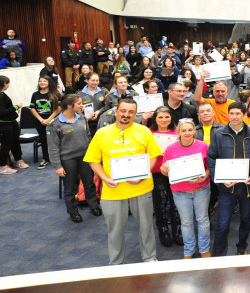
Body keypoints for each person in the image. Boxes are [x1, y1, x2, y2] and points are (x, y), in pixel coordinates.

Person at [84, 98, 163, 265]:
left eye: (131, 112)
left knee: (146, 227)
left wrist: (142, 175)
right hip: (113, 191)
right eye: (123, 111)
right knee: (115, 231)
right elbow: (93, 160)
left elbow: (154, 156)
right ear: (116, 111)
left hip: (141, 189)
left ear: (135, 114)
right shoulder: (102, 133)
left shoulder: (144, 131)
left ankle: (149, 257)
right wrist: (105, 178)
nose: (126, 115)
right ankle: (116, 263)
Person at [209, 102, 250, 256]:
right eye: (232, 113)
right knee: (222, 224)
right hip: (226, 186)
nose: (235, 117)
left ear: (244, 114)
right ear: (228, 114)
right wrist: (219, 179)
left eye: (238, 113)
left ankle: (241, 248)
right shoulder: (219, 134)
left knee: (246, 219)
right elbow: (211, 158)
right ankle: (218, 255)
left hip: (246, 186)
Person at [160, 118, 211, 259]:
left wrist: (204, 177)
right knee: (186, 222)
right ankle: (188, 251)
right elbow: (165, 172)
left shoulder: (203, 146)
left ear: (194, 131)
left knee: (203, 220)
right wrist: (164, 170)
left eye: (190, 130)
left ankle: (204, 249)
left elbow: (209, 168)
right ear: (178, 132)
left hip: (201, 189)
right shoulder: (170, 149)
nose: (187, 133)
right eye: (184, 130)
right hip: (180, 192)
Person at [48, 94, 102, 223]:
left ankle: (94, 205)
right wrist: (58, 166)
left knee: (89, 183)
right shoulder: (55, 124)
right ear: (69, 106)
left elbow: (88, 137)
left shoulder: (82, 118)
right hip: (68, 159)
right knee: (71, 188)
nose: (82, 105)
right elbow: (53, 147)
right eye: (79, 103)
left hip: (84, 157)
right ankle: (73, 211)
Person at [146, 107, 181, 247]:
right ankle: (163, 230)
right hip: (156, 171)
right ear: (155, 118)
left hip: (176, 171)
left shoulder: (178, 131)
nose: (164, 120)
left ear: (171, 118)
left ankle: (177, 230)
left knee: (176, 203)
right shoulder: (149, 132)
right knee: (160, 202)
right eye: (160, 117)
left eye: (167, 117)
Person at [0, 75, 29, 174]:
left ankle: (18, 160)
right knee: (6, 145)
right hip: (2, 124)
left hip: (11, 122)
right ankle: (2, 166)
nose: (9, 85)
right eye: (8, 83)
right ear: (4, 84)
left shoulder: (1, 94)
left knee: (15, 142)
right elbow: (1, 111)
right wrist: (16, 106)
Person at [28, 76, 60, 168]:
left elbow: (58, 109)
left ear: (49, 82)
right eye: (40, 81)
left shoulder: (55, 94)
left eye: (44, 81)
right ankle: (45, 159)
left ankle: (56, 158)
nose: (42, 83)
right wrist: (40, 119)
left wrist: (48, 120)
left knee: (55, 139)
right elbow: (32, 108)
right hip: (39, 121)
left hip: (52, 120)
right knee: (43, 140)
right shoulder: (35, 94)